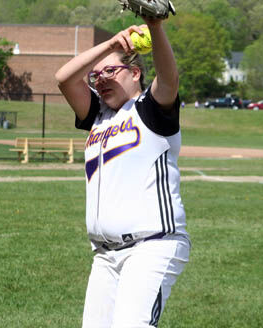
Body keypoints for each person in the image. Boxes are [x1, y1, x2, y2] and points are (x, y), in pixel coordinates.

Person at [55, 16, 190, 328]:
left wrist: (155, 27)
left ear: (135, 72)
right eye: (96, 75)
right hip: (105, 256)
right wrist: (110, 46)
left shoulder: (150, 108)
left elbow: (169, 78)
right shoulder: (97, 116)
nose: (101, 79)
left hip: (152, 246)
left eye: (111, 71)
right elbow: (64, 78)